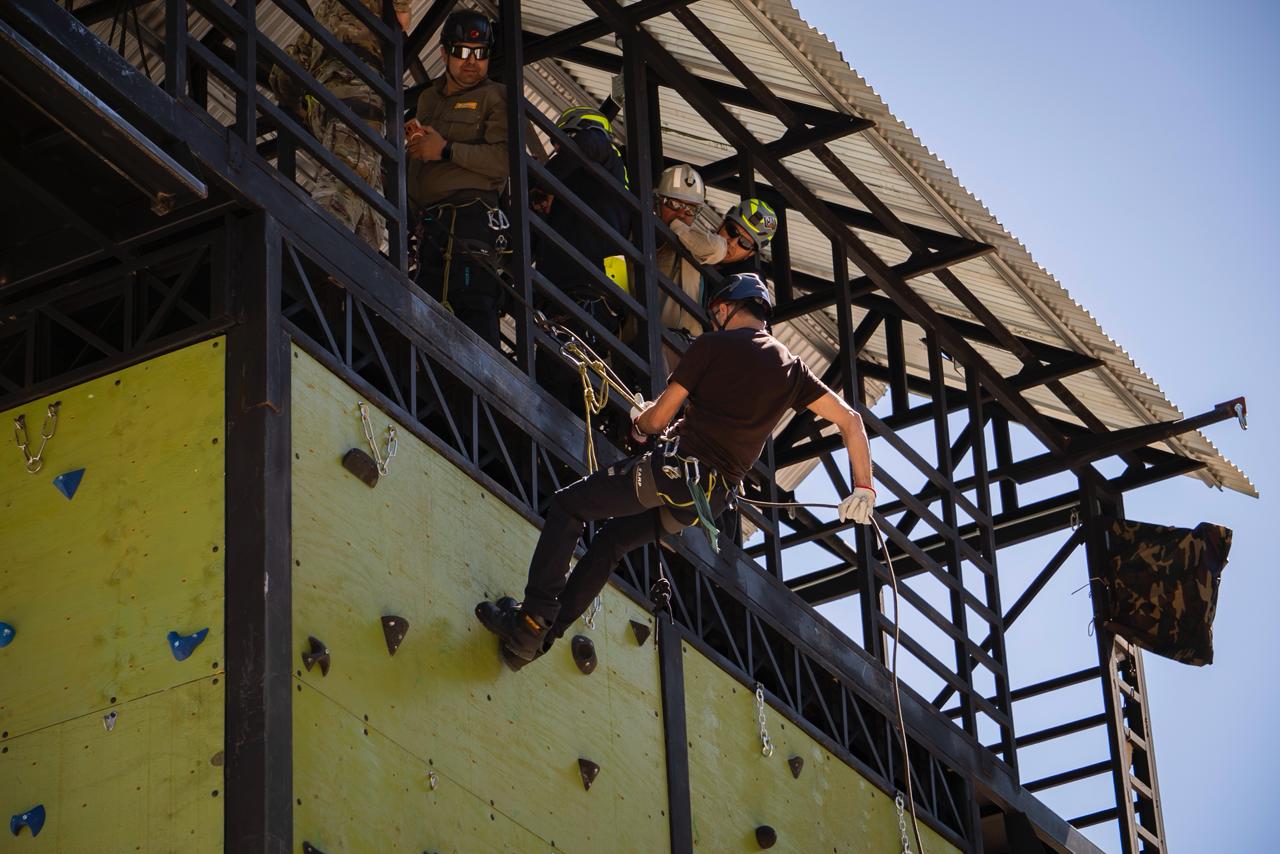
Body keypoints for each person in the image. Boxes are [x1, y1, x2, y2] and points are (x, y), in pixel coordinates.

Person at [475, 272, 877, 668]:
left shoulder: (712, 346)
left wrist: (641, 420)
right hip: (707, 503)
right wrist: (864, 489)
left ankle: (532, 619)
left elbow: (657, 421)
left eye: (716, 310)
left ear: (725, 306)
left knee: (569, 507)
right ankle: (540, 641)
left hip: (674, 474)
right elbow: (851, 422)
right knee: (612, 542)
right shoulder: (793, 371)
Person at [269, 0, 411, 249]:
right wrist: (401, 9)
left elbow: (282, 75)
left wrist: (302, 108)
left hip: (326, 106)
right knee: (348, 178)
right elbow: (400, 17)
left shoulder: (322, 17)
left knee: (367, 199)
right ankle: (320, 246)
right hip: (357, 97)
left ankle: (352, 267)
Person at [407, 10, 509, 347]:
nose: (472, 62)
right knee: (421, 313)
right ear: (443, 53)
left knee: (473, 310)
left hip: (471, 221)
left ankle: (488, 398)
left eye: (480, 54)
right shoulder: (427, 99)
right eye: (462, 52)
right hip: (429, 226)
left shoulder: (494, 96)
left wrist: (446, 150)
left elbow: (503, 162)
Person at [533, 106, 634, 336]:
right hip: (570, 293)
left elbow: (589, 141)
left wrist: (540, 182)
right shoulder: (584, 189)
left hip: (589, 292)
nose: (558, 151)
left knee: (570, 366)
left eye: (561, 143)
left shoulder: (604, 151)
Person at [659, 195, 778, 370]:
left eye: (744, 243)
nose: (732, 243)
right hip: (658, 322)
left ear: (751, 254)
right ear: (722, 223)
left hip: (697, 353)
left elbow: (755, 338)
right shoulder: (697, 240)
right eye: (731, 231)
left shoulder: (751, 281)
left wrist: (674, 224)